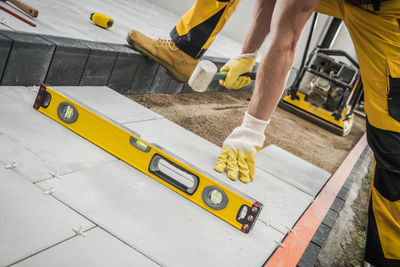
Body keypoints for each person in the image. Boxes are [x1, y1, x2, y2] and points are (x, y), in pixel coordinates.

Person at [127, 0, 400, 265]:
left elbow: (286, 43)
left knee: (394, 145)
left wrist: (252, 130)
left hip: (384, 12)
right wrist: (248, 54)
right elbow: (280, 19)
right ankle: (183, 49)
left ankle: (390, 258)